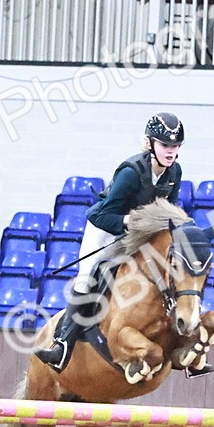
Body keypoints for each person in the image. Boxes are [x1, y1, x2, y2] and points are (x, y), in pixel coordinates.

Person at [34, 112, 186, 371]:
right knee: (88, 277)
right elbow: (104, 214)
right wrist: (129, 222)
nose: (170, 152)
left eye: (174, 146)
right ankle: (62, 346)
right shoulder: (131, 172)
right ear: (150, 144)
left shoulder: (174, 172)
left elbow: (167, 209)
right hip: (106, 226)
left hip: (139, 232)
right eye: (164, 145)